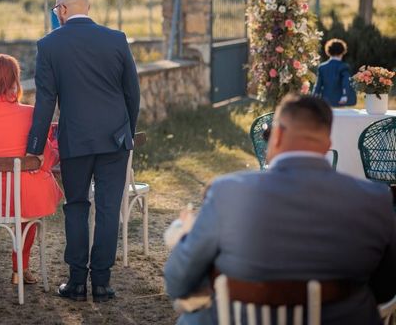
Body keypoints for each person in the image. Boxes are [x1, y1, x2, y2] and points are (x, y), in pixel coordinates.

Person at [164, 94, 396, 325]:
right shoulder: (375, 199)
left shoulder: (226, 193)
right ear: (327, 145)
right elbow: (385, 291)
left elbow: (178, 282)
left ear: (278, 136)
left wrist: (184, 237)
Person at [26, 0, 141, 302]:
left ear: (62, 9)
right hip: (114, 141)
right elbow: (133, 93)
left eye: (55, 10)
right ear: (85, 7)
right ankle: (102, 283)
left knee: (76, 207)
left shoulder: (49, 45)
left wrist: (35, 147)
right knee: (108, 210)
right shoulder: (116, 39)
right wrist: (126, 132)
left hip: (74, 141)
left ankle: (77, 282)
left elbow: (45, 102)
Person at [0, 54, 63, 285]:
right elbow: (45, 160)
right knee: (30, 195)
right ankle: (20, 267)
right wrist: (55, 151)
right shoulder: (29, 114)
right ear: (12, 82)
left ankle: (17, 269)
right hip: (22, 199)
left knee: (25, 191)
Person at [313, 38, 356, 107]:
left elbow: (318, 86)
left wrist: (314, 98)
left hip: (325, 102)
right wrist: (345, 95)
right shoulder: (344, 67)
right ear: (342, 51)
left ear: (328, 51)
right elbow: (346, 82)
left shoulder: (322, 67)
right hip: (340, 101)